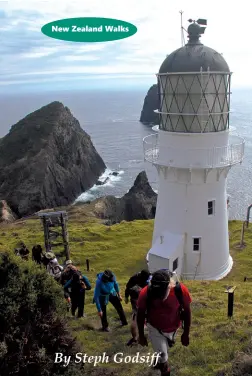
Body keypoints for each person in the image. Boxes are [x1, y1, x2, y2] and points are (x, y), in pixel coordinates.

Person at [137, 269, 192, 376]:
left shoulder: (180, 291)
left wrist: (186, 333)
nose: (160, 298)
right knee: (164, 361)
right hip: (155, 329)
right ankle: (162, 365)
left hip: (174, 328)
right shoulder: (145, 293)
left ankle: (158, 359)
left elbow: (187, 311)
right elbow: (140, 314)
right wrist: (141, 335)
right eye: (156, 294)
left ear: (169, 286)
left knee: (164, 350)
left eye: (162, 294)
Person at [124, 269, 151, 346]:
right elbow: (128, 287)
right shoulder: (134, 278)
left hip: (144, 297)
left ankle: (144, 324)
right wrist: (126, 297)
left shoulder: (148, 279)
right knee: (136, 314)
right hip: (135, 297)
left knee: (145, 313)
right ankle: (135, 336)